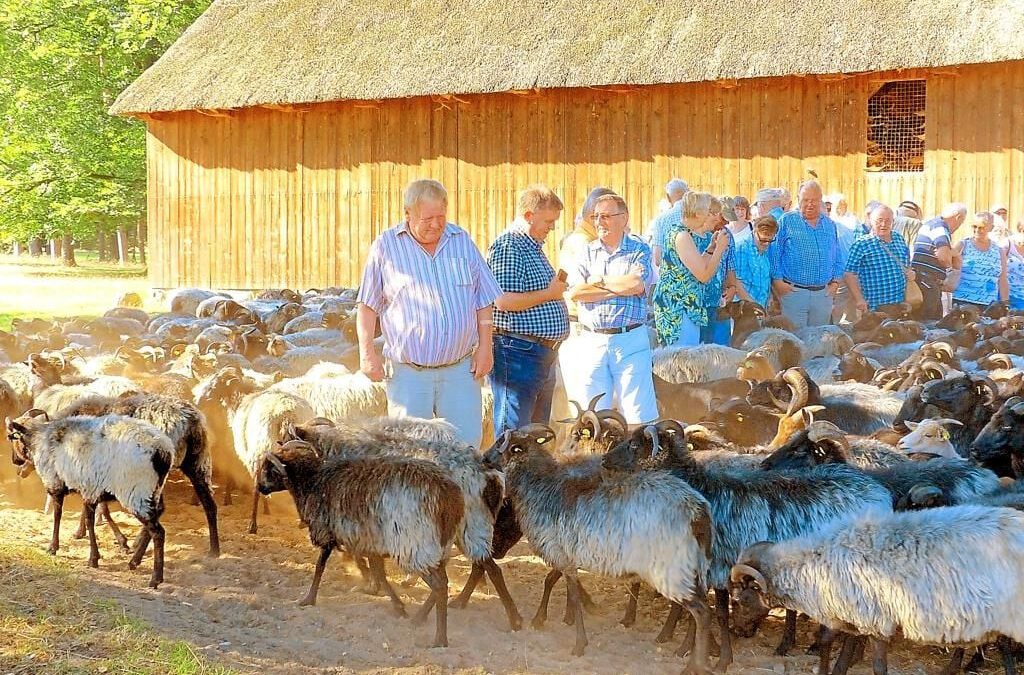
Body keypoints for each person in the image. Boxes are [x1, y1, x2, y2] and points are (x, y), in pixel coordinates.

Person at [356, 179, 502, 448]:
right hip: (409, 373)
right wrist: (367, 353)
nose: (436, 224)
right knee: (410, 451)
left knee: (466, 448)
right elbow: (367, 306)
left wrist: (486, 347)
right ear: (407, 213)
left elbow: (484, 299)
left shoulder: (461, 240)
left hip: (459, 369)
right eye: (427, 218)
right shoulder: (385, 246)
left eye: (441, 217)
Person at [565, 193, 658, 425]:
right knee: (592, 414)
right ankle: (594, 459)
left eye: (606, 216)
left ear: (623, 218)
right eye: (596, 217)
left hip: (630, 339)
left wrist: (598, 282)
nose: (599, 222)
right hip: (591, 340)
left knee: (637, 413)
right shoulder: (585, 252)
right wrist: (619, 284)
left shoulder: (639, 249)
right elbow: (576, 292)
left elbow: (636, 285)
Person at [486, 185, 570, 435]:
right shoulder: (510, 246)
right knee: (515, 433)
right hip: (518, 352)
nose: (552, 227)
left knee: (533, 434)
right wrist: (550, 293)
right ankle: (506, 474)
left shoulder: (531, 246)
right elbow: (503, 301)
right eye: (548, 221)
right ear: (528, 215)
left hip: (536, 352)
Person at [653, 192, 730, 347]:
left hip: (685, 307)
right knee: (683, 360)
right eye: (711, 213)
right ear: (698, 214)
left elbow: (696, 266)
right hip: (678, 310)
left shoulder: (683, 233)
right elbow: (703, 275)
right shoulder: (682, 236)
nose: (715, 217)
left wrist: (710, 249)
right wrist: (719, 250)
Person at [768, 180, 844, 328]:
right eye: (806, 200)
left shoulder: (829, 225)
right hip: (794, 293)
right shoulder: (786, 221)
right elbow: (774, 253)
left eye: (814, 200)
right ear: (798, 200)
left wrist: (835, 283)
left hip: (823, 294)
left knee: (820, 342)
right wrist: (778, 282)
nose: (810, 204)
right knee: (795, 340)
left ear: (820, 200)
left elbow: (837, 257)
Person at [844, 205, 914, 312]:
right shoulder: (862, 244)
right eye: (879, 220)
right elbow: (849, 274)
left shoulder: (899, 238)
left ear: (893, 222)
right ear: (871, 221)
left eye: (887, 221)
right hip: (875, 307)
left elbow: (907, 264)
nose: (883, 224)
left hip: (901, 305)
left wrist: (911, 273)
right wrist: (859, 299)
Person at [911, 203, 967, 320]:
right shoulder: (940, 227)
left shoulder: (933, 224)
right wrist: (951, 261)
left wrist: (952, 253)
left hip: (924, 280)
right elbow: (943, 257)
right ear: (958, 217)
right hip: (927, 282)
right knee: (928, 323)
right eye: (961, 223)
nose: (958, 227)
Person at [951, 212, 1009, 309]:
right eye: (974, 226)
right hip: (963, 302)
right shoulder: (963, 245)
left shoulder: (998, 251)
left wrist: (1005, 304)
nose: (977, 230)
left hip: (989, 305)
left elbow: (1002, 279)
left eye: (981, 227)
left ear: (991, 228)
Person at [732, 215, 778, 309]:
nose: (766, 244)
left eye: (770, 240)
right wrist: (754, 307)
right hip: (744, 310)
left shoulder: (765, 251)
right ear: (754, 231)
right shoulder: (741, 249)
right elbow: (736, 283)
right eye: (763, 240)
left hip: (760, 308)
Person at [648, 178, 690, 266]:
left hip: (671, 275)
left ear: (668, 197)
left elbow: (657, 259)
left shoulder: (661, 219)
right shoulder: (700, 215)